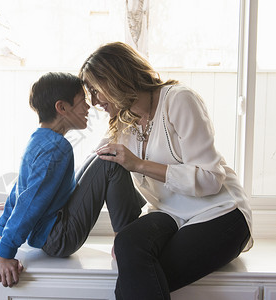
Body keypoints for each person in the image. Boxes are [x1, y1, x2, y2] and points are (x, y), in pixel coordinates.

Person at [79, 41, 253, 300]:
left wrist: (138, 165)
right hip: (169, 214)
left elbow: (211, 179)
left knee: (141, 276)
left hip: (220, 212)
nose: (94, 102)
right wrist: (26, 199)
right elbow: (90, 169)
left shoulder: (178, 100)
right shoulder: (123, 122)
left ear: (116, 78)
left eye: (96, 90)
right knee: (126, 243)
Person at [0, 72, 145, 288]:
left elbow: (19, 190)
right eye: (82, 101)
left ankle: (129, 231)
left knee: (99, 155)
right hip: (58, 238)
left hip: (50, 233)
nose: (88, 108)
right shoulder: (56, 148)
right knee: (109, 161)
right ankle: (128, 242)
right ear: (62, 108)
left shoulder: (39, 140)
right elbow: (28, 202)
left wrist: (1, 231)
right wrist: (5, 253)